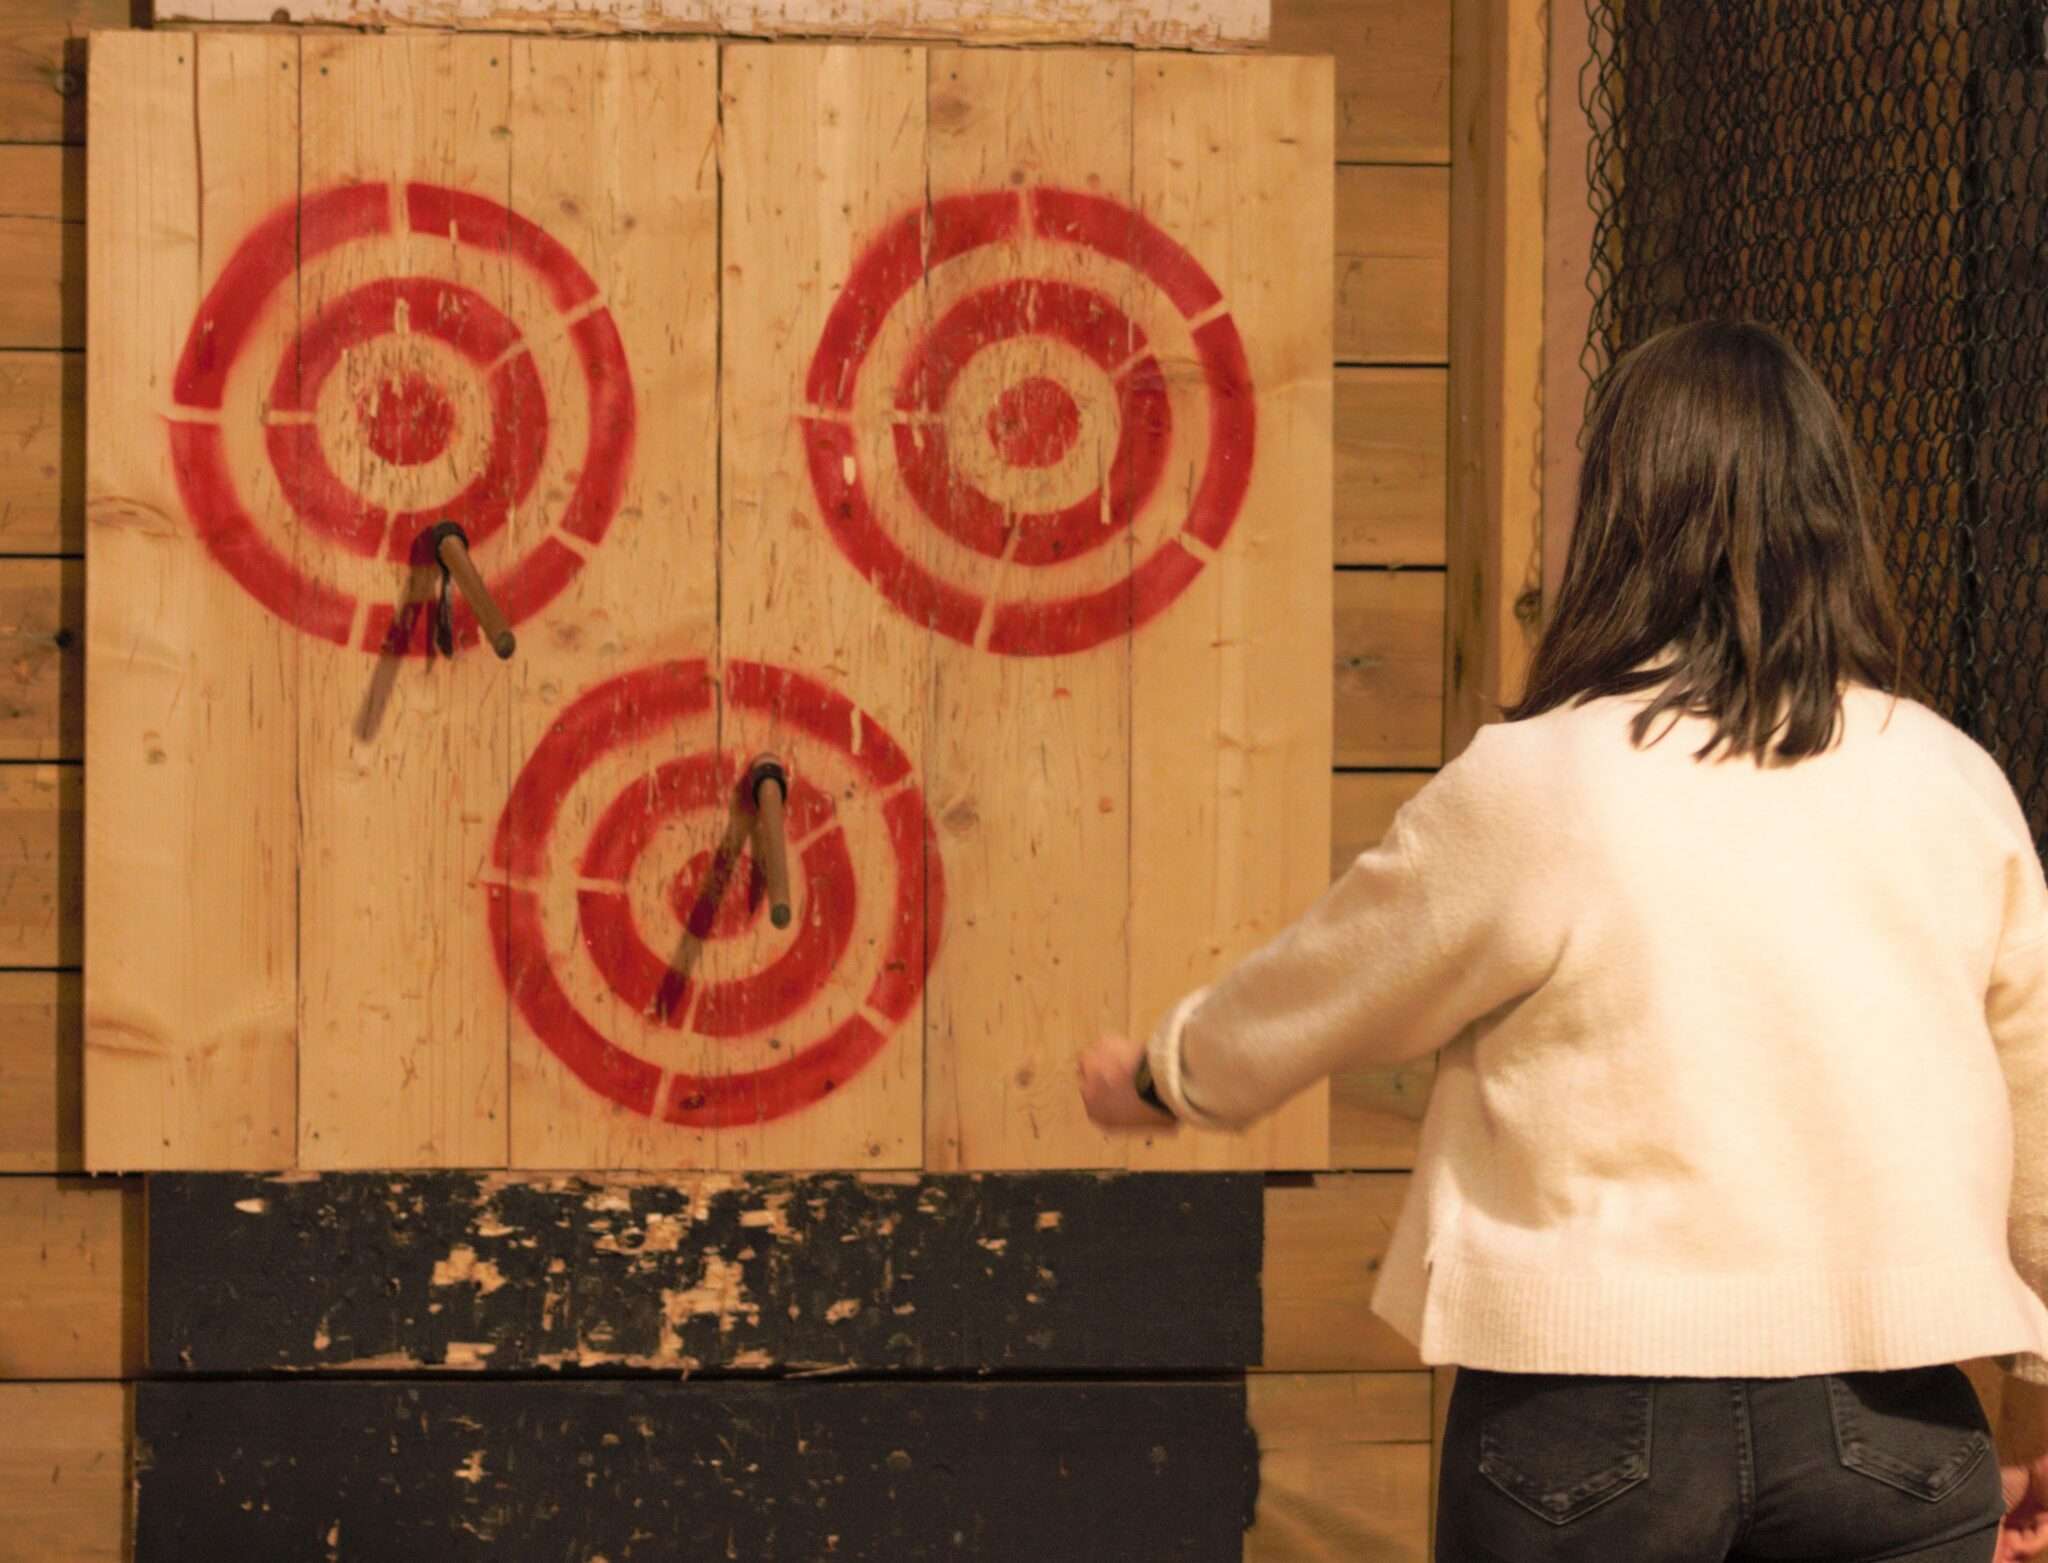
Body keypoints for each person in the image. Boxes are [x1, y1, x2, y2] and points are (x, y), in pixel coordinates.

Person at [1078, 320, 2048, 1562]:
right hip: (1899, 1428)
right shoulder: (1949, 782)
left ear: (1615, 521)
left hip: (1587, 1422)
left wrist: (1174, 1074)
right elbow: (2035, 1104)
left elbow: (1341, 973)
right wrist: (2031, 1393)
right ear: (1832, 522)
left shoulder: (1544, 780)